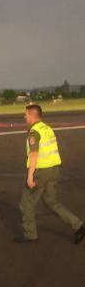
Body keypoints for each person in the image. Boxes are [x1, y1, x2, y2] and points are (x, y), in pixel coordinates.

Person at [18, 104, 85, 243]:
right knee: (51, 202)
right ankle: (78, 225)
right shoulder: (47, 128)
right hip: (54, 170)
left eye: (26, 114)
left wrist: (30, 176)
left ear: (32, 115)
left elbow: (34, 154)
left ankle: (30, 235)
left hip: (41, 171)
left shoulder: (34, 132)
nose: (25, 117)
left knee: (26, 203)